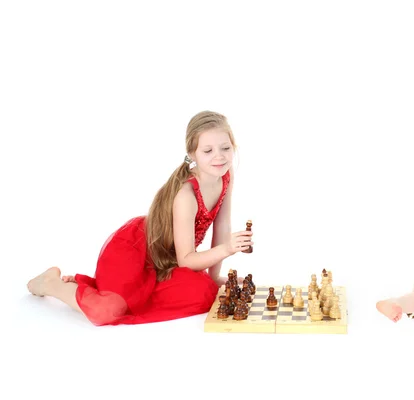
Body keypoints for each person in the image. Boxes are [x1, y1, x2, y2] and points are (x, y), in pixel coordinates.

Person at [26, 111, 253, 326]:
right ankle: (51, 284)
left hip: (167, 261)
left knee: (205, 293)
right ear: (192, 154)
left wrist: (214, 277)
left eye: (225, 147)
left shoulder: (225, 174)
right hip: (136, 251)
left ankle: (117, 292)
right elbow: (186, 260)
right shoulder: (186, 195)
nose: (219, 157)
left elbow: (221, 224)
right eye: (208, 151)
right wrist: (227, 249)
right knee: (108, 310)